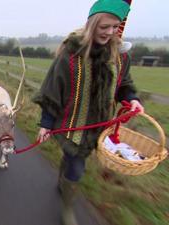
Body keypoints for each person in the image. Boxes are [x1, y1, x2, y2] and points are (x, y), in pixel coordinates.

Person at [32, 0, 144, 224]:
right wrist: (46, 123)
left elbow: (124, 84)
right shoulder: (71, 56)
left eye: (115, 27)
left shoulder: (120, 56)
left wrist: (132, 99)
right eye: (104, 27)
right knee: (77, 165)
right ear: (92, 23)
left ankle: (63, 179)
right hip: (73, 125)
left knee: (71, 159)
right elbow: (53, 89)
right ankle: (67, 206)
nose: (110, 32)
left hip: (100, 126)